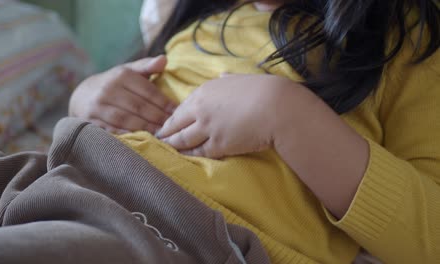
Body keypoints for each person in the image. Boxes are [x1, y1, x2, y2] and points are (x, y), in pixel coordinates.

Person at [69, 0, 440, 263]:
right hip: (69, 177)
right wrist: (85, 101)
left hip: (189, 235)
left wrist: (289, 116)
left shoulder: (410, 42)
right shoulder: (200, 17)